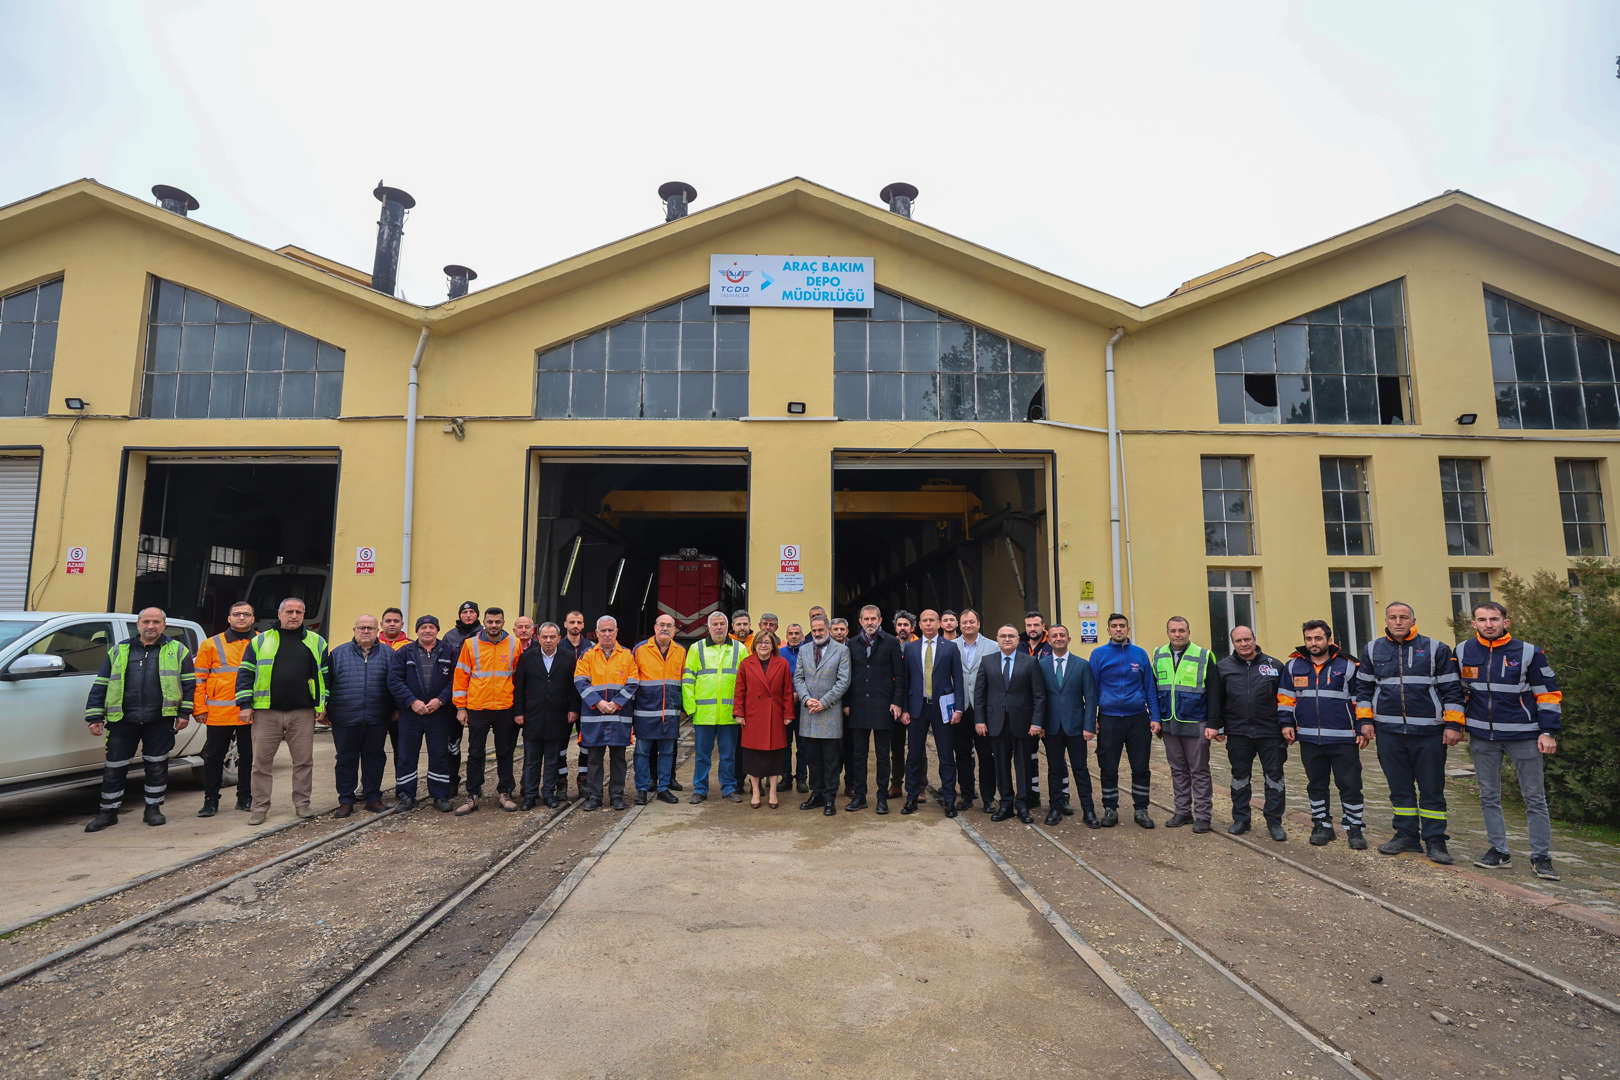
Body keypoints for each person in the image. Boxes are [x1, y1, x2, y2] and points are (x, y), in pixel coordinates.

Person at [1455, 601, 1563, 880]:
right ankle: (1498, 851)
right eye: (1482, 619)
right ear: (1473, 624)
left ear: (1506, 622)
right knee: (1489, 796)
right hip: (1482, 737)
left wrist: (1548, 732)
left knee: (1535, 798)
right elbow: (1457, 693)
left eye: (1494, 619)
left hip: (1523, 736)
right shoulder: (1463, 651)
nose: (1488, 624)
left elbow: (1548, 694)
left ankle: (1541, 857)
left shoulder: (1528, 652)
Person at [1355, 601, 1463, 865]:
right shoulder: (1372, 649)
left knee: (1432, 788)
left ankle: (1435, 840)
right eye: (1393, 617)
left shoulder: (1436, 649)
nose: (1398, 621)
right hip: (1389, 732)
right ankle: (1406, 835)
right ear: (1386, 621)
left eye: (1404, 617)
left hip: (1429, 732)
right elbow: (1363, 690)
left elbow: (1452, 690)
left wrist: (1453, 725)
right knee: (1399, 788)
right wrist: (1365, 722)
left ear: (1413, 620)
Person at [83, 607, 197, 831]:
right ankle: (108, 812)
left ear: (164, 625)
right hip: (123, 719)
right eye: (146, 621)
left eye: (156, 622)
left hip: (160, 718)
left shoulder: (178, 650)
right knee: (115, 766)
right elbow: (101, 684)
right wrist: (94, 715)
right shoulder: (119, 650)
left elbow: (189, 684)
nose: (151, 626)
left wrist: (184, 713)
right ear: (138, 624)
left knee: (156, 765)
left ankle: (153, 809)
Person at [237, 597, 330, 825]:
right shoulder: (260, 641)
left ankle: (302, 804)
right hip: (266, 712)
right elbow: (246, 673)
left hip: (302, 712)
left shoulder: (317, 642)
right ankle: (259, 808)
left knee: (303, 762)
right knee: (261, 763)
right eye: (289, 611)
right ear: (279, 614)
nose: (294, 616)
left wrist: (323, 705)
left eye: (299, 611)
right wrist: (245, 705)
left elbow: (325, 677)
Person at [1278, 620, 1367, 849]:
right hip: (1308, 738)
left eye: (1318, 638)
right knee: (1316, 784)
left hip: (1343, 738)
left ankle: (1354, 828)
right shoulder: (1293, 666)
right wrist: (1286, 723)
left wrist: (1362, 727)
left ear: (1329, 639)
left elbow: (1360, 700)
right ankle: (1321, 825)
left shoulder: (1348, 666)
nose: (1313, 643)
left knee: (1350, 784)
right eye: (1309, 639)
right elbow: (1286, 699)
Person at [1207, 626, 1288, 841]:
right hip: (1238, 732)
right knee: (1240, 778)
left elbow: (1286, 701)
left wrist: (1288, 726)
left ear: (1255, 639)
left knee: (1275, 779)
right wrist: (1218, 727)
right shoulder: (1223, 668)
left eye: (1247, 639)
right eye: (1239, 640)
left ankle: (1274, 821)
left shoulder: (1275, 666)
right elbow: (1216, 701)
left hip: (1270, 732)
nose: (1244, 644)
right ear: (1233, 643)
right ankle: (1242, 819)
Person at [1088, 613, 1161, 828]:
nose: (1118, 629)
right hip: (1109, 719)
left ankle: (1141, 809)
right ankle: (1110, 808)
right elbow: (1091, 690)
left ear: (1128, 630)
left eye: (1122, 626)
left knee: (1140, 766)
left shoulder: (1139, 654)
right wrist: (1091, 718)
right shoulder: (1098, 654)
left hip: (1138, 719)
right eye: (1114, 626)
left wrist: (1155, 717)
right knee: (1108, 767)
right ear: (1108, 630)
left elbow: (1150, 688)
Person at [974, 623, 1047, 823]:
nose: (1007, 639)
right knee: (1001, 766)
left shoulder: (1030, 662)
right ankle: (1006, 804)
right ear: (997, 639)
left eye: (1011, 636)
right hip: (996, 723)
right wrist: (979, 720)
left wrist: (1036, 722)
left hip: (1023, 724)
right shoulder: (987, 661)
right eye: (1003, 636)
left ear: (1018, 640)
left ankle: (1022, 805)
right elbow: (979, 694)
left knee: (1023, 766)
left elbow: (1039, 696)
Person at [452, 606, 521, 815]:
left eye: (497, 622)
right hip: (478, 707)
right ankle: (472, 794)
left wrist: (518, 708)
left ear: (503, 622)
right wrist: (460, 707)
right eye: (490, 622)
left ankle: (505, 792)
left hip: (504, 707)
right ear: (484, 622)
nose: (493, 626)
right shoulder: (470, 644)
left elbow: (518, 678)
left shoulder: (514, 644)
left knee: (505, 752)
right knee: (475, 753)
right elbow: (461, 676)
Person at [1151, 616, 1217, 833]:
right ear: (1167, 632)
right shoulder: (1158, 654)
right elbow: (1154, 689)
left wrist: (1214, 724)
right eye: (1173, 631)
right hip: (1170, 723)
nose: (1177, 634)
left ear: (1188, 632)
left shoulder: (1203, 655)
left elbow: (1215, 693)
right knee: (1177, 770)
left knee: (1199, 771)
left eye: (1181, 630)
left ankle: (1203, 816)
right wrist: (1156, 719)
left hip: (1196, 722)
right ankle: (1182, 812)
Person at [388, 614, 458, 812]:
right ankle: (406, 795)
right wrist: (411, 701)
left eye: (431, 627)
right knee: (406, 754)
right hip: (411, 713)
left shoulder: (450, 651)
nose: (427, 630)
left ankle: (440, 795)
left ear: (437, 630)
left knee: (439, 754)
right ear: (417, 630)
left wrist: (441, 700)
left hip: (439, 713)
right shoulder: (404, 652)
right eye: (423, 627)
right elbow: (394, 680)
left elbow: (457, 680)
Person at [327, 614, 395, 817]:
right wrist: (325, 710)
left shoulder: (389, 654)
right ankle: (346, 800)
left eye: (370, 628)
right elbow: (327, 685)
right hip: (345, 718)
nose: (366, 631)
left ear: (378, 631)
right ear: (354, 630)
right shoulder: (338, 654)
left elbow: (395, 685)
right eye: (362, 628)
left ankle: (373, 797)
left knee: (374, 757)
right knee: (346, 759)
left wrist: (395, 709)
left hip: (377, 717)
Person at [193, 600, 255, 816]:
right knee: (213, 758)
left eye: (246, 614)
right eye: (237, 614)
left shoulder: (262, 642)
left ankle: (245, 798)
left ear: (252, 618)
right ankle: (210, 801)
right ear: (229, 618)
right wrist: (199, 708)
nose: (241, 617)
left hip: (252, 712)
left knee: (249, 758)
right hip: (219, 713)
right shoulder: (211, 644)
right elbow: (199, 679)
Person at [900, 609, 963, 817]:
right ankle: (911, 797)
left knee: (946, 755)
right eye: (925, 621)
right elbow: (905, 682)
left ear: (939, 624)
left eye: (932, 620)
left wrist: (959, 708)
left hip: (942, 707)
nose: (928, 624)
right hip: (918, 707)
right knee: (914, 755)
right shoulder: (910, 648)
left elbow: (958, 681)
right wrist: (905, 709)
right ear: (919, 624)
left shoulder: (950, 648)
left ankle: (949, 799)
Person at [513, 621, 581, 809]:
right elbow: (519, 687)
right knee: (531, 760)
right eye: (545, 637)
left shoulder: (568, 658)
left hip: (557, 717)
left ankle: (549, 794)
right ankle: (530, 795)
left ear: (559, 638)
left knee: (552, 760)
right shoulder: (527, 658)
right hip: (532, 717)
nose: (548, 640)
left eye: (552, 637)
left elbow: (573, 688)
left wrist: (573, 709)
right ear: (538, 638)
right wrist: (518, 712)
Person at [572, 615, 638, 811]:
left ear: (616, 632)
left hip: (619, 716)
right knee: (594, 759)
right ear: (597, 633)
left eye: (611, 630)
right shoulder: (587, 654)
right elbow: (580, 681)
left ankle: (617, 795)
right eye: (603, 631)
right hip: (595, 715)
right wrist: (599, 702)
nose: (607, 634)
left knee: (619, 759)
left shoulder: (627, 655)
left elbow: (634, 681)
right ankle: (594, 796)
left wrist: (616, 703)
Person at [844, 604, 905, 814]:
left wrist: (897, 702)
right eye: (866, 619)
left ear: (880, 620)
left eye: (873, 619)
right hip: (858, 707)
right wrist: (846, 704)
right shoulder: (851, 644)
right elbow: (846, 677)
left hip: (883, 707)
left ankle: (881, 798)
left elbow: (901, 676)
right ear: (860, 621)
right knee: (858, 755)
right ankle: (860, 796)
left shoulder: (891, 643)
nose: (870, 622)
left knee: (882, 755)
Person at [683, 610, 746, 803]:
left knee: (728, 755)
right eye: (715, 624)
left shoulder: (740, 649)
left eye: (722, 624)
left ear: (728, 627)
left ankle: (728, 788)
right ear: (708, 627)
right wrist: (691, 708)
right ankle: (700, 789)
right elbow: (687, 679)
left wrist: (741, 710)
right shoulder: (696, 648)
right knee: (702, 755)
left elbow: (746, 681)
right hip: (704, 714)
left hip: (729, 714)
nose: (719, 627)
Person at [1038, 624, 1098, 827]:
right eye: (1054, 635)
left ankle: (1088, 810)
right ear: (1049, 640)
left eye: (1062, 635)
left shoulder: (1082, 665)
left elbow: (1090, 697)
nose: (1058, 638)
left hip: (1076, 727)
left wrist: (1089, 726)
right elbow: (1040, 698)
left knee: (1080, 769)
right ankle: (1055, 808)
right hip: (1051, 727)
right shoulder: (1042, 665)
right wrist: (1039, 724)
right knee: (1055, 769)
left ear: (1069, 639)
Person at [794, 614, 851, 815]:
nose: (817, 633)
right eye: (814, 630)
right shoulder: (804, 650)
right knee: (813, 760)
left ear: (827, 629)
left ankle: (829, 798)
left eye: (821, 629)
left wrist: (824, 702)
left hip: (829, 714)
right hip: (809, 713)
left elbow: (843, 681)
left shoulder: (842, 651)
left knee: (831, 761)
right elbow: (798, 677)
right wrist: (806, 699)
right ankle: (816, 794)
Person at [736, 629, 795, 808]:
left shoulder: (782, 663)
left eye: (767, 642)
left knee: (775, 756)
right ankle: (755, 791)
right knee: (754, 756)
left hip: (774, 715)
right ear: (755, 645)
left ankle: (772, 793)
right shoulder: (746, 663)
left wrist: (788, 714)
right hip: (753, 716)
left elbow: (787, 691)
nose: (763, 645)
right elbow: (739, 691)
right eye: (760, 642)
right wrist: (739, 713)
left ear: (773, 646)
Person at [631, 615, 685, 806]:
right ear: (654, 628)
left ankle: (663, 788)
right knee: (642, 753)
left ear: (674, 630)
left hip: (670, 713)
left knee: (667, 753)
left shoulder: (680, 651)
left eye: (669, 626)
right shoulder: (640, 650)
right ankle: (643, 789)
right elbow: (631, 681)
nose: (665, 628)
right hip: (645, 712)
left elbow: (684, 682)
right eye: (662, 625)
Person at [952, 608, 1000, 813]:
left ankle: (988, 798)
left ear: (979, 624)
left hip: (984, 710)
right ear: (959, 625)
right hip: (959, 708)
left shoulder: (994, 647)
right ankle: (967, 794)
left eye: (971, 622)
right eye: (964, 623)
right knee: (962, 754)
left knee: (986, 755)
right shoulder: (950, 646)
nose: (968, 625)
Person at [441, 601, 482, 797]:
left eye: (471, 612)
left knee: (476, 745)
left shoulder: (484, 634)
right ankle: (452, 780)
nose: (468, 615)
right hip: (454, 696)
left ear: (477, 615)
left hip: (478, 696)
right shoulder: (450, 636)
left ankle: (476, 783)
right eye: (464, 612)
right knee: (452, 743)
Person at [559, 609, 594, 796]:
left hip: (586, 703)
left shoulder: (591, 647)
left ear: (583, 625)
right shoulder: (557, 646)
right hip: (562, 704)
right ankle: (561, 783)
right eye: (572, 622)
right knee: (560, 745)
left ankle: (584, 780)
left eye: (579, 622)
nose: (575, 626)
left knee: (586, 744)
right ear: (565, 624)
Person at [1020, 611, 1054, 806]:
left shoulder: (1052, 645)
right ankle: (1032, 795)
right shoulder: (1020, 646)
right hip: (1027, 711)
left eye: (1036, 625)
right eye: (1029, 626)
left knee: (1054, 758)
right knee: (1028, 757)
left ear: (1043, 626)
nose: (1032, 629)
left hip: (1050, 710)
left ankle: (1060, 797)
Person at [887, 610, 917, 799]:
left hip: (915, 703)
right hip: (894, 703)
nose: (903, 628)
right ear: (895, 627)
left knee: (917, 748)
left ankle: (919, 786)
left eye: (906, 625)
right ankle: (896, 784)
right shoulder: (890, 645)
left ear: (913, 628)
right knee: (896, 747)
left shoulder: (920, 645)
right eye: (899, 625)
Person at [829, 617, 855, 792]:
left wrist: (849, 703)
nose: (839, 632)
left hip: (851, 706)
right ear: (830, 631)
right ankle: (832, 782)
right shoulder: (824, 649)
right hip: (830, 705)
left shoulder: (855, 647)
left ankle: (851, 783)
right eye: (835, 629)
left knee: (851, 746)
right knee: (833, 747)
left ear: (847, 631)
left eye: (842, 629)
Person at [779, 621, 803, 784]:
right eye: (790, 633)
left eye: (797, 633)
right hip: (784, 705)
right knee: (784, 744)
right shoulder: (779, 653)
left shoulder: (809, 652)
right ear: (786, 636)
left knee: (803, 745)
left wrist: (800, 694)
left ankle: (802, 778)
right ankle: (785, 778)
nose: (793, 636)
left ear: (802, 636)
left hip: (804, 705)